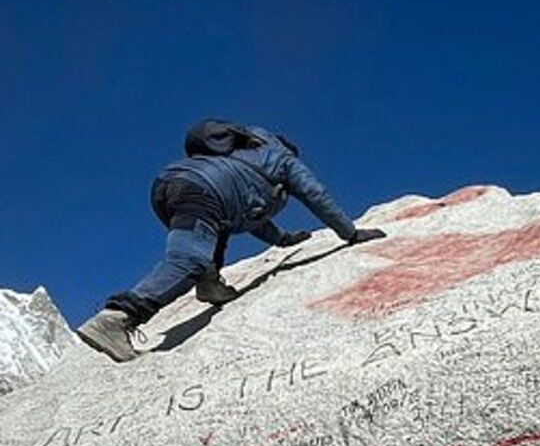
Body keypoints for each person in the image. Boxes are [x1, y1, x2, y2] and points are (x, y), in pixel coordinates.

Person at [75, 118, 389, 362]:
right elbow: (314, 194)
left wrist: (281, 240)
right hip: (204, 193)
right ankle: (119, 318)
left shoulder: (239, 157)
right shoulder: (283, 159)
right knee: (189, 260)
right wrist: (350, 233)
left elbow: (247, 212)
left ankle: (211, 284)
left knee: (211, 232)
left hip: (172, 188)